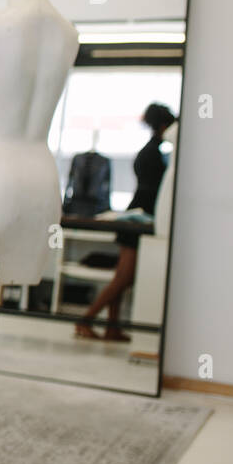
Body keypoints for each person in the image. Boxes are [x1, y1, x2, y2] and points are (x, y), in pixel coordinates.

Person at [75, 103, 176, 341]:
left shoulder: (149, 151)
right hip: (140, 217)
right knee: (124, 278)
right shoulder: (156, 154)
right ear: (163, 125)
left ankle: (112, 327)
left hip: (135, 214)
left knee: (121, 276)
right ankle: (85, 319)